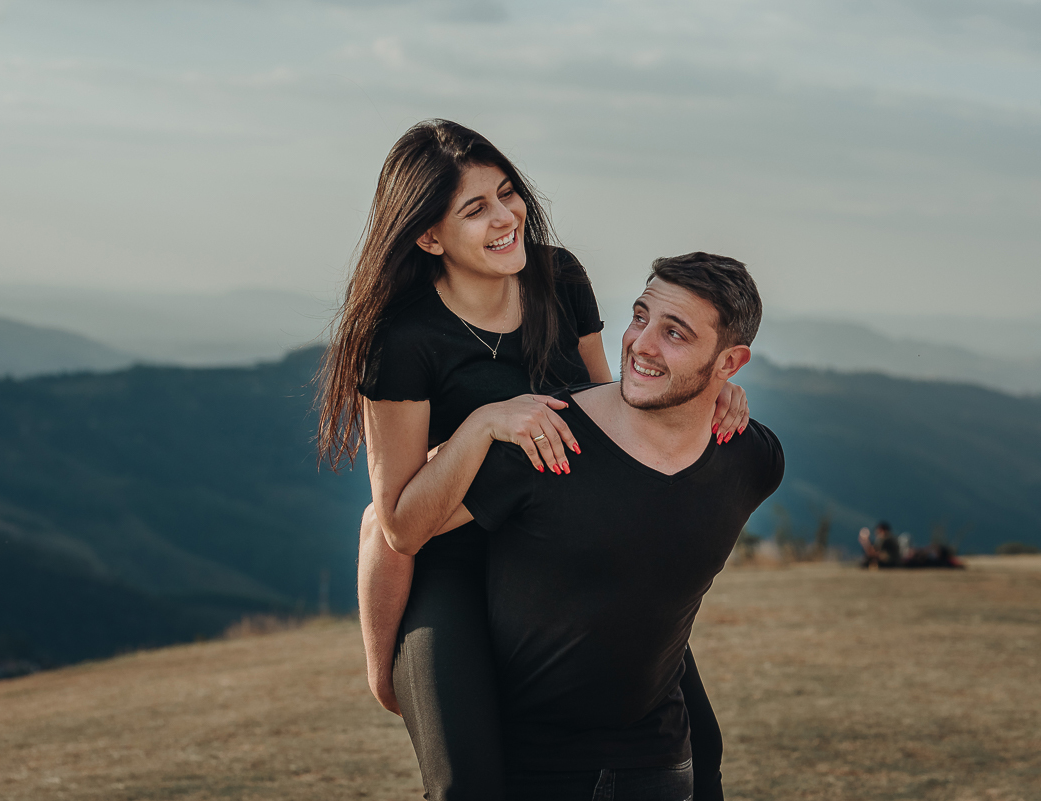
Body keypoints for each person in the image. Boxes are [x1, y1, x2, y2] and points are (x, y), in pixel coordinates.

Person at [315, 121, 750, 800]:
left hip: (565, 551)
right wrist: (485, 425)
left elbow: (618, 404)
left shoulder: (558, 276)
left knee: (705, 747)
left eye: (507, 192)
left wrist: (704, 390)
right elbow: (400, 522)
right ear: (429, 237)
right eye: (474, 208)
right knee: (469, 783)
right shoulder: (400, 339)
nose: (505, 216)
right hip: (457, 562)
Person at [401, 252, 784, 799]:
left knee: (711, 758)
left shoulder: (753, 460)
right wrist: (381, 663)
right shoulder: (543, 441)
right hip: (532, 761)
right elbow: (393, 528)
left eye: (674, 332)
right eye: (640, 316)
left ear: (729, 364)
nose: (642, 343)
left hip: (658, 761)